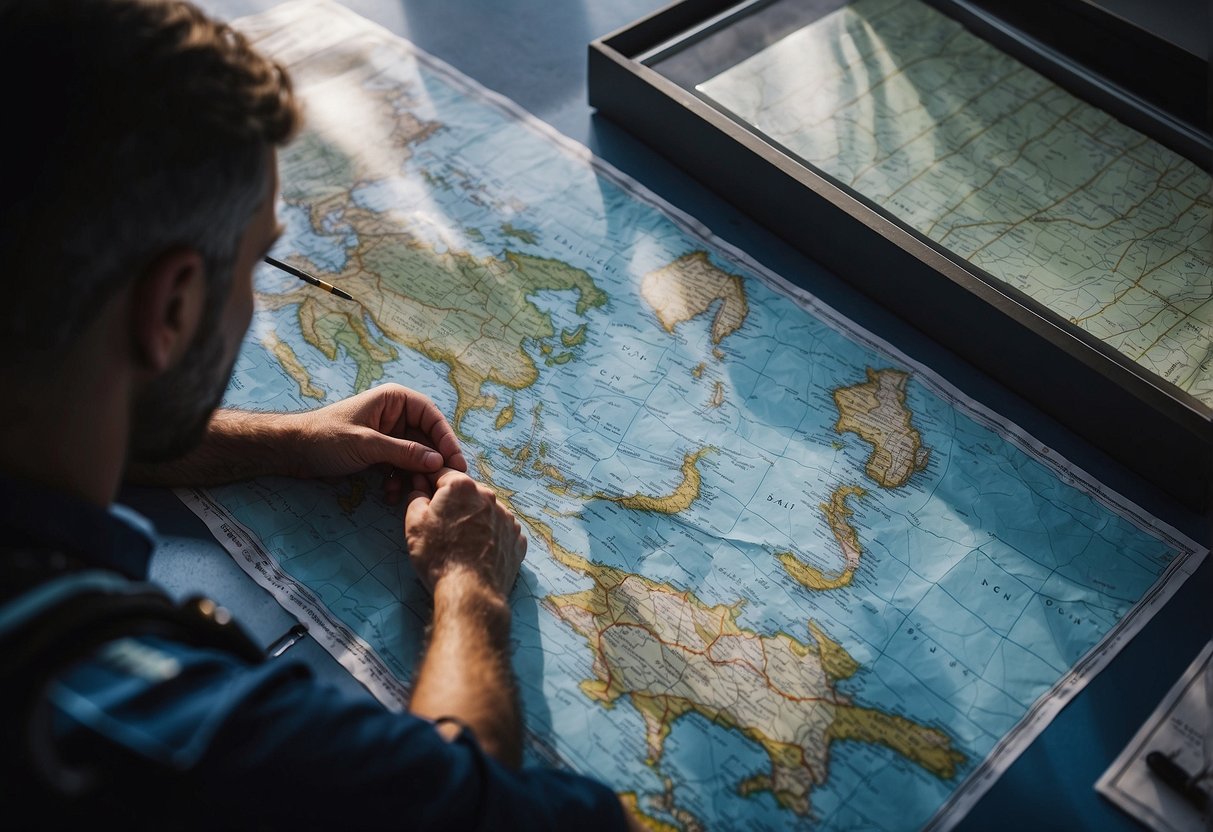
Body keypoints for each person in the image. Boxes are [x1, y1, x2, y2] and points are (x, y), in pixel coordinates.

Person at [0, 0, 642, 828]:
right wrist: (467, 587)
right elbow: (493, 813)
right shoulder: (144, 721)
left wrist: (288, 439)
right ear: (172, 306)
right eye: (259, 257)